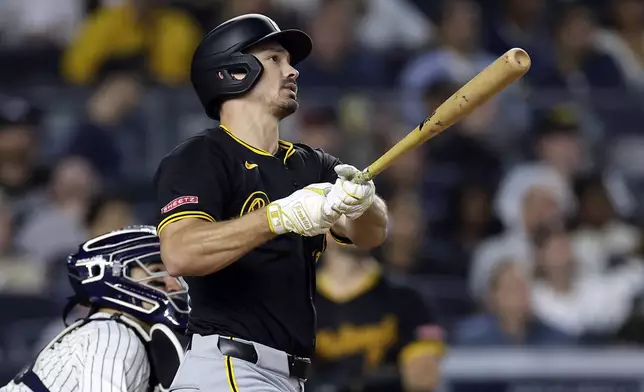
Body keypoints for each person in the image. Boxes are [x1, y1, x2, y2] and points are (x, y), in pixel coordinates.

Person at [155, 13, 388, 392]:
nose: (293, 71)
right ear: (233, 71)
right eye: (275, 59)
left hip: (285, 376)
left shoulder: (311, 162)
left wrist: (364, 203)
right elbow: (181, 253)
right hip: (229, 366)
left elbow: (372, 236)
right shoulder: (201, 156)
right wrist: (280, 216)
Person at [1, 225, 190, 392]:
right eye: (157, 271)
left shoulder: (114, 332)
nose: (175, 286)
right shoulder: (114, 337)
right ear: (117, 276)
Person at [310, 241, 444, 392]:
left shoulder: (408, 297)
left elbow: (424, 380)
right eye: (345, 216)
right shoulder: (295, 297)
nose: (357, 219)